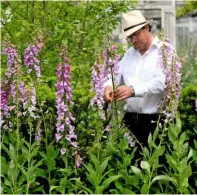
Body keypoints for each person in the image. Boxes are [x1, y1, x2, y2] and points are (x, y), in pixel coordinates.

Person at [104, 10, 167, 147]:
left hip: (156, 122)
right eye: (129, 37)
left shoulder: (164, 50)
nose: (133, 40)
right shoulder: (129, 54)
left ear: (146, 28)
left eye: (135, 35)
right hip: (130, 120)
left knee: (153, 165)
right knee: (127, 164)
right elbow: (115, 73)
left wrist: (132, 90)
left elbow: (161, 82)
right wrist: (108, 86)